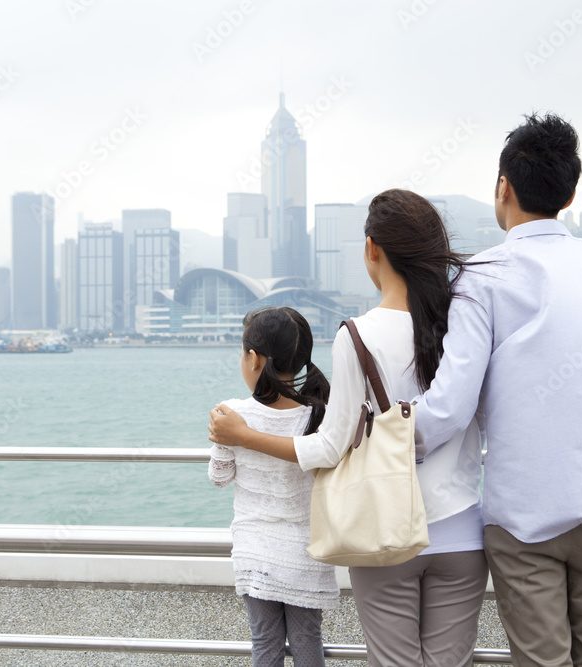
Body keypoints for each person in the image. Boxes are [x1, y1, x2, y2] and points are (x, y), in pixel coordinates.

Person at [410, 113, 582, 666]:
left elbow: (451, 408)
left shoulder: (480, 278)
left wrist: (380, 440)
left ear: (503, 187)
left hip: (521, 516)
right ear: (571, 193)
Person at [209, 189, 488, 667]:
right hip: (462, 530)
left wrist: (244, 437)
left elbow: (331, 447)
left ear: (372, 248)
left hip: (384, 529)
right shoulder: (462, 322)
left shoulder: (356, 335)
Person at [207, 306, 339, 667]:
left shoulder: (232, 413)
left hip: (255, 552)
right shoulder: (318, 414)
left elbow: (219, 478)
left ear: (252, 358)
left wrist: (222, 442)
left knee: (264, 642)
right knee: (308, 639)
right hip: (305, 552)